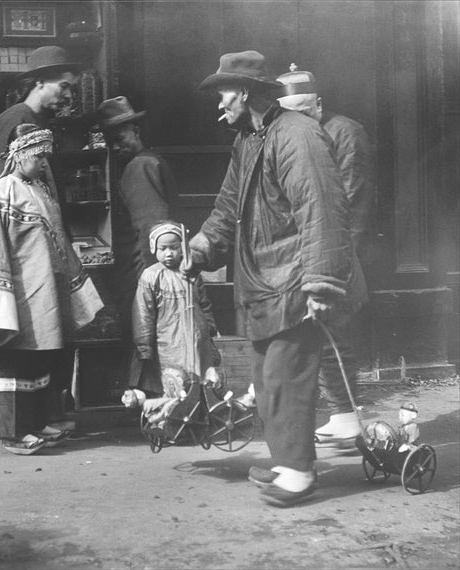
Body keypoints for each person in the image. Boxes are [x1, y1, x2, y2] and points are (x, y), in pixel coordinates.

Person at [189, 51, 363, 507]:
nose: (219, 104)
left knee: (287, 376)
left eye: (224, 93)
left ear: (245, 93)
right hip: (264, 281)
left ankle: (300, 474)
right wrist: (203, 245)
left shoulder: (298, 135)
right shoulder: (249, 139)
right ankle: (288, 461)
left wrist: (321, 283)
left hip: (294, 279)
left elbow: (322, 210)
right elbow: (229, 205)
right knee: (268, 380)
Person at [0, 124, 103, 455]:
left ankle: (36, 422)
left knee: (41, 358)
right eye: (39, 156)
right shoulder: (0, 193)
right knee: (13, 360)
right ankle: (14, 432)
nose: (44, 163)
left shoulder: (40, 191)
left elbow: (58, 240)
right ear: (19, 156)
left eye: (46, 156)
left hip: (44, 291)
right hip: (15, 292)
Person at [276, 64, 374, 446]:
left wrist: (338, 260)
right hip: (305, 248)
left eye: (306, 112)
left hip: (337, 248)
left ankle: (345, 414)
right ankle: (341, 413)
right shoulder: (291, 134)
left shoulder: (345, 133)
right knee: (317, 333)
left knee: (336, 333)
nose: (299, 121)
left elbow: (352, 198)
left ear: (319, 104)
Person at [96, 97, 182, 393]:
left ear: (135, 130)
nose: (116, 147)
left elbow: (152, 230)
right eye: (111, 142)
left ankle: (156, 406)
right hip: (152, 271)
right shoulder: (151, 161)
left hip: (143, 273)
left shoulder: (139, 167)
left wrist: (155, 278)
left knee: (147, 337)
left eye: (120, 138)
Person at [121, 221, 220, 431]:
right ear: (154, 249)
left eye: (174, 248)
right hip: (167, 340)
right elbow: (143, 314)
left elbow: (204, 303)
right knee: (172, 380)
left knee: (197, 378)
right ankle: (169, 423)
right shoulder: (151, 276)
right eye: (163, 248)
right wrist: (144, 346)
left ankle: (196, 422)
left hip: (195, 337)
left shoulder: (192, 273)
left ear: (183, 248)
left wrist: (210, 327)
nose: (169, 254)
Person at [0, 46, 80, 192]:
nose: (68, 96)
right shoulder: (14, 118)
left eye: (71, 89)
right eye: (63, 86)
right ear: (40, 81)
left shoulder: (39, 120)